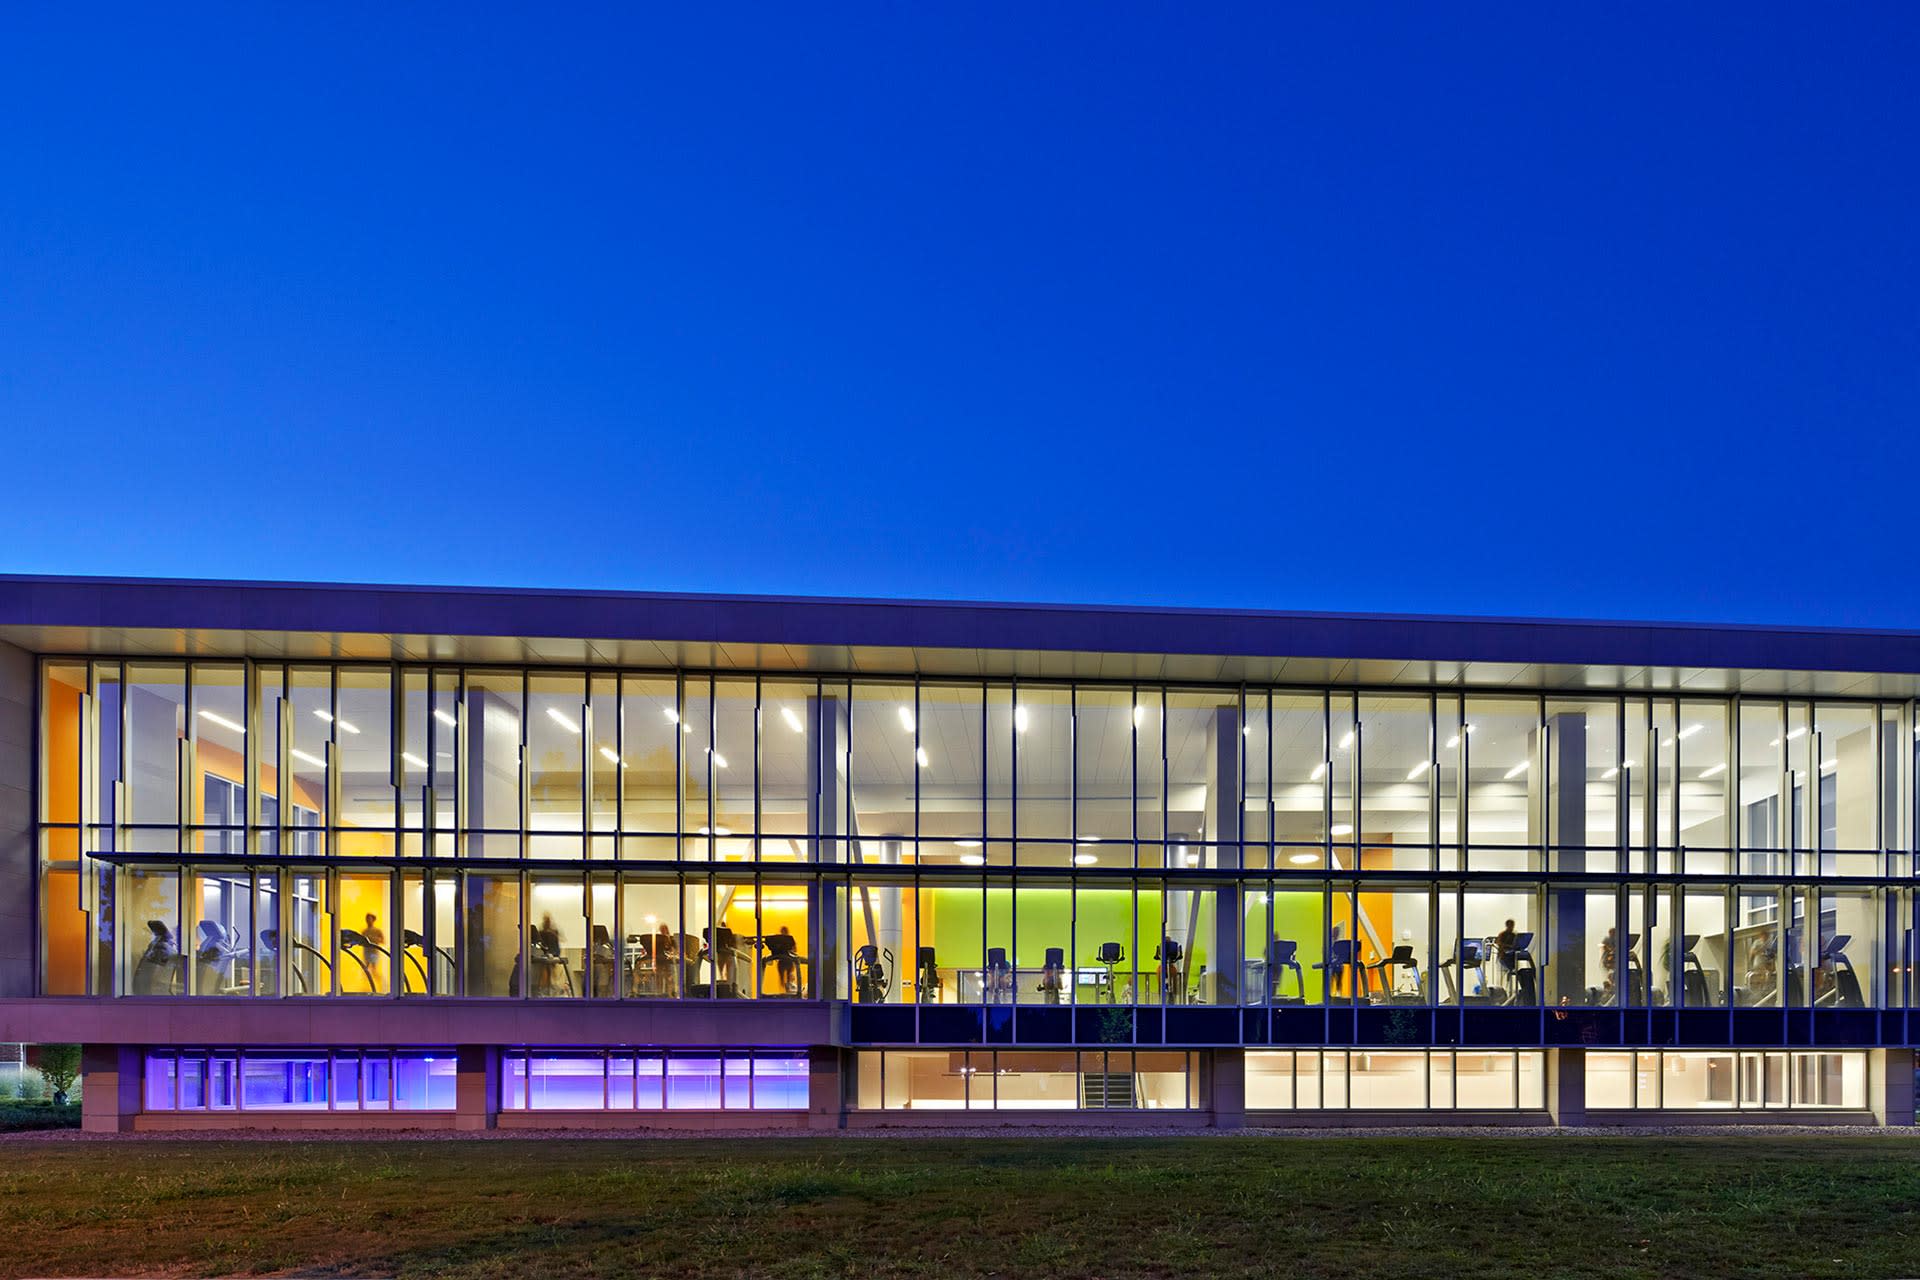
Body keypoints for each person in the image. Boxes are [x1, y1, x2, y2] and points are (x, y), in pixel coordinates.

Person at [1494, 919, 1519, 993]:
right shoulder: (1502, 934)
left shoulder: (1514, 935)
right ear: (1507, 926)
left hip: (1512, 957)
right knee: (1502, 978)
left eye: (1513, 926)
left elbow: (1516, 944)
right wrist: (1509, 947)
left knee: (1511, 976)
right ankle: (1502, 992)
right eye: (1510, 926)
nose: (1512, 927)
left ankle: (1511, 991)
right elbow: (1500, 944)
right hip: (1503, 957)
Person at [773, 924, 798, 995]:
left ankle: (788, 991)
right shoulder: (780, 939)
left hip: (788, 960)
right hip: (782, 961)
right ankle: (783, 991)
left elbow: (795, 949)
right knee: (782, 979)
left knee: (788, 978)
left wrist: (791, 951)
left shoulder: (790, 939)